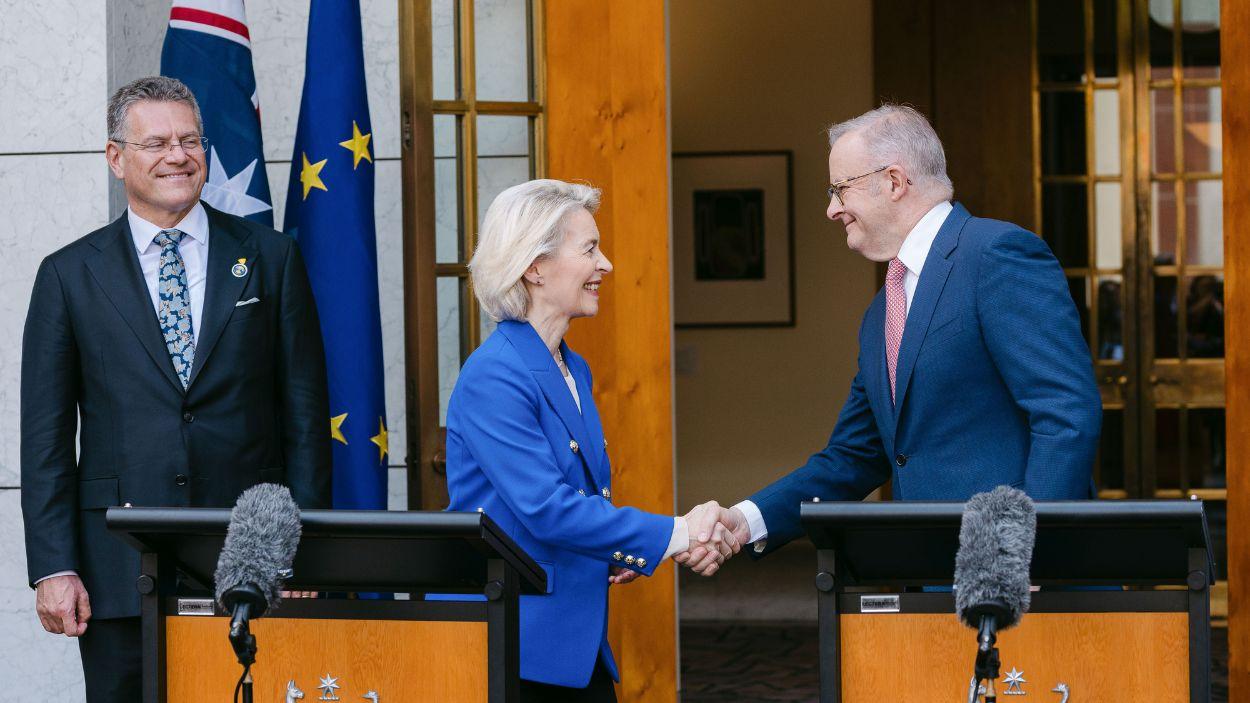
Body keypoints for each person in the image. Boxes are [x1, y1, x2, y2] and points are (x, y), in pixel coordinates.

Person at [681, 104, 1102, 570]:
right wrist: (744, 521)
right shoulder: (882, 310)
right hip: (927, 583)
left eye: (840, 189)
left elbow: (1066, 414)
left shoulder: (996, 255)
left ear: (895, 182)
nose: (832, 208)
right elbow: (853, 456)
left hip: (1022, 589)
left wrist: (1027, 555)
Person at [20, 76, 331, 702]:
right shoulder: (68, 274)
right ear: (116, 158)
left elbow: (304, 414)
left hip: (250, 559)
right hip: (118, 564)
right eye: (156, 142)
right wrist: (54, 566)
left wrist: (302, 548)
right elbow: (46, 438)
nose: (178, 156)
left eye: (190, 140)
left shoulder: (270, 258)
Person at [444, 179, 736, 701]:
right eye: (590, 249)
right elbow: (546, 508)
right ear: (535, 267)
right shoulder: (495, 374)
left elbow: (581, 499)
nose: (607, 264)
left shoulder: (571, 366)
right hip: (518, 650)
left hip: (573, 647)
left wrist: (614, 552)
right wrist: (678, 533)